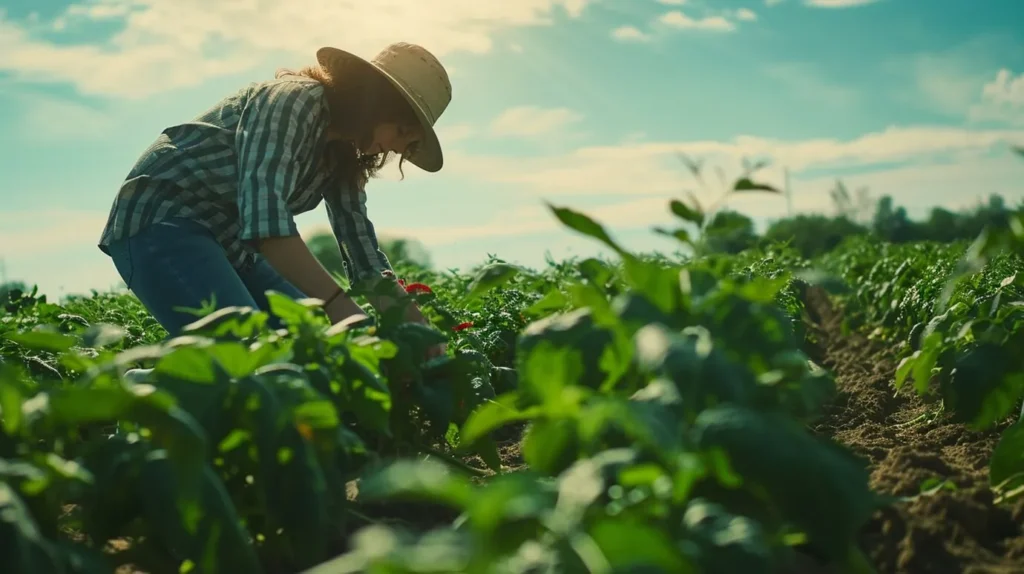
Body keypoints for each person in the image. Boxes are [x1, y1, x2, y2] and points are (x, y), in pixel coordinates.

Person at [97, 42, 452, 351]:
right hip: (163, 219)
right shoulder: (295, 100)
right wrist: (336, 303)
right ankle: (134, 397)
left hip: (233, 247)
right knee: (252, 356)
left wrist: (411, 321)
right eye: (401, 131)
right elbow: (266, 222)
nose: (394, 148)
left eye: (406, 145)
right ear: (376, 103)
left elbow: (362, 251)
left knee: (317, 350)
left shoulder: (342, 154)